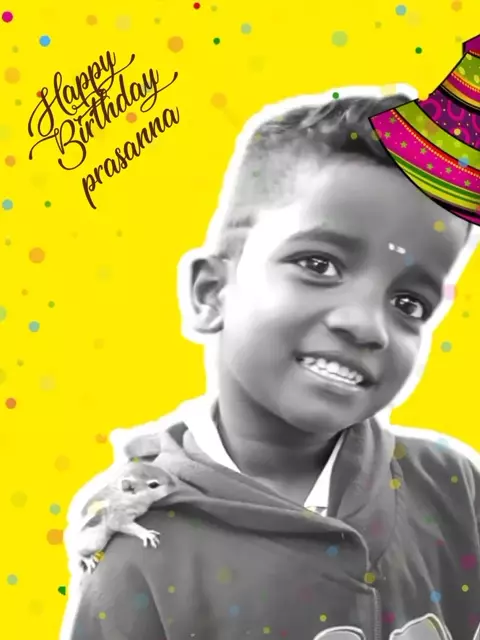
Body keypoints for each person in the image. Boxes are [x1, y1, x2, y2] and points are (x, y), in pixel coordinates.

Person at [60, 86, 480, 640]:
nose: (367, 326)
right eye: (319, 264)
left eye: (409, 303)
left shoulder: (453, 487)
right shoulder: (137, 552)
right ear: (212, 293)